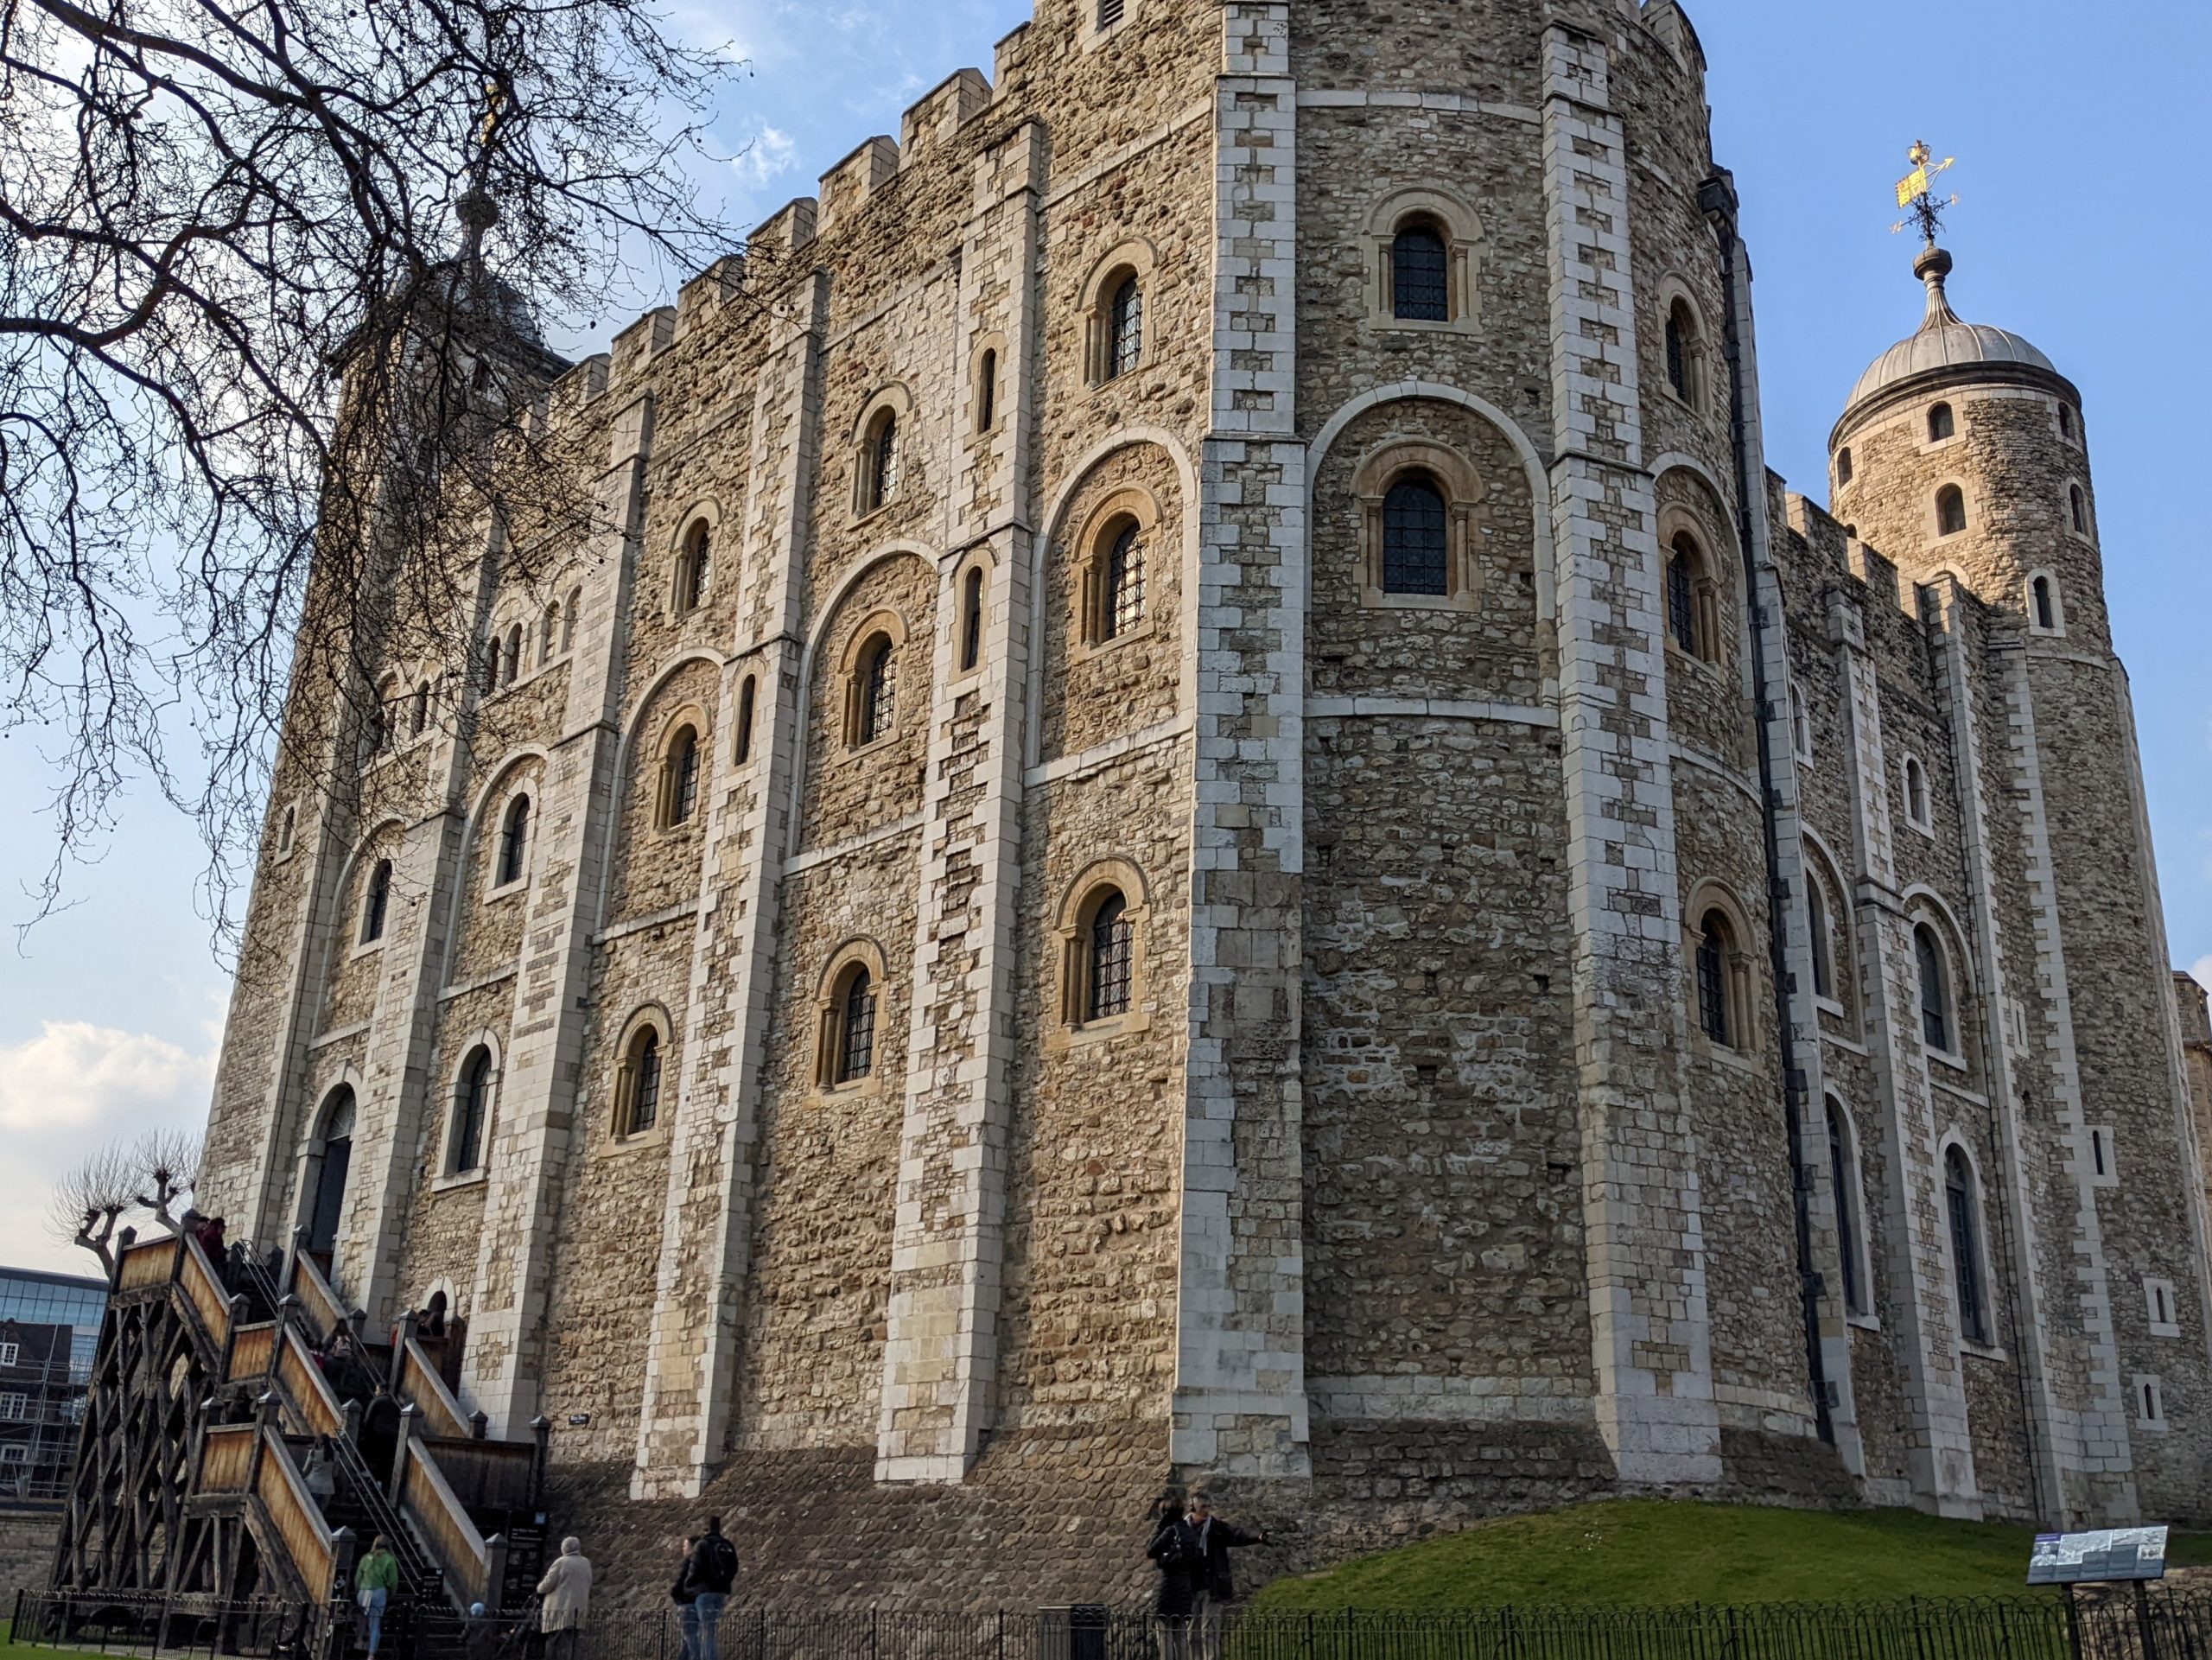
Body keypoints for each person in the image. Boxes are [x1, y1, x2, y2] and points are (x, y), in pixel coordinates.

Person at [1184, 1493, 1266, 1657]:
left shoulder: (1216, 1528)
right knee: (1191, 1633)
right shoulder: (1182, 1529)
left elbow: (1236, 1535)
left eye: (1208, 1506)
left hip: (1212, 1586)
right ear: (1193, 1508)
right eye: (1203, 1507)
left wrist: (1258, 1537)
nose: (1206, 1510)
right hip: (1190, 1585)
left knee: (1210, 1631)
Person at [1145, 1492, 1201, 1657]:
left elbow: (1151, 1550)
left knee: (1164, 1632)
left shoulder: (1170, 1530)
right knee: (1180, 1632)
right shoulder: (1190, 1532)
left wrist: (1161, 1525)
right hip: (1184, 1585)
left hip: (1167, 1585)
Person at [680, 1517, 740, 1660]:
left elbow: (695, 1567)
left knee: (705, 1633)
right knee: (711, 1631)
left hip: (704, 1593)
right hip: (720, 1593)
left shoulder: (703, 1544)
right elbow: (734, 1567)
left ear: (705, 1529)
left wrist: (688, 1584)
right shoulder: (727, 1544)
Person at [536, 1536, 592, 1660]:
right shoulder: (585, 1562)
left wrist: (539, 1588)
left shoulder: (561, 1562)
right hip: (579, 1610)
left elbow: (547, 1585)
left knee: (553, 1641)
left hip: (559, 1609)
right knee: (571, 1642)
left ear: (564, 1548)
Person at [356, 1535, 402, 1658]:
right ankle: (371, 1654)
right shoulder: (389, 1559)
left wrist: (358, 1591)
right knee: (375, 1623)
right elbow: (393, 1581)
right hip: (379, 1592)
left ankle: (359, 1642)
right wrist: (390, 1593)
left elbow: (358, 1578)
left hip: (364, 1590)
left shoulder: (366, 1557)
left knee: (362, 1617)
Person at [671, 1537, 702, 1660]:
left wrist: (676, 1595)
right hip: (695, 1604)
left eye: (685, 1546)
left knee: (690, 1637)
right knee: (689, 1638)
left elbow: (681, 1581)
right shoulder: (703, 1563)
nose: (683, 1549)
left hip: (687, 1603)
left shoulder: (690, 1562)